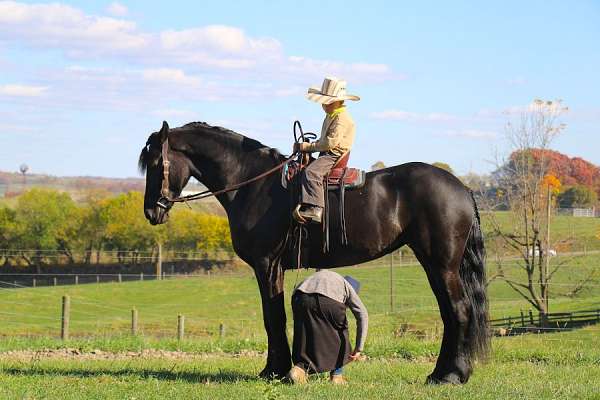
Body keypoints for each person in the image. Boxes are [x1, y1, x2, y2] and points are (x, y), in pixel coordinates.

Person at [292, 77, 360, 223]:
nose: (323, 105)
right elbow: (324, 141)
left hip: (334, 155)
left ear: (336, 102)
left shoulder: (341, 119)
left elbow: (330, 143)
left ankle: (316, 208)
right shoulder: (331, 116)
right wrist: (309, 147)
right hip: (329, 151)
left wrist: (307, 147)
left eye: (326, 101)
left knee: (311, 172)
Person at [286, 269, 368, 385]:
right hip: (326, 300)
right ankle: (336, 376)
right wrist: (359, 348)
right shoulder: (348, 287)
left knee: (305, 336)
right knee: (341, 331)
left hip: (299, 297)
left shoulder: (329, 277)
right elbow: (362, 314)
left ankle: (299, 370)